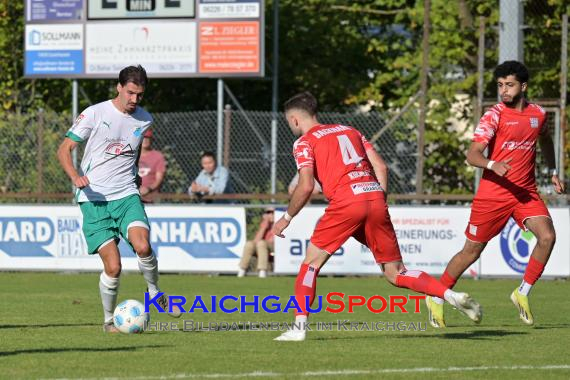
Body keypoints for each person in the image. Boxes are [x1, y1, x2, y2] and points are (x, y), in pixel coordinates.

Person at [272, 92, 482, 341]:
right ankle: (449, 296)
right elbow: (381, 167)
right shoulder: (350, 130)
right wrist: (377, 200)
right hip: (374, 196)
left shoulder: (304, 142)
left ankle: (298, 329)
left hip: (346, 202)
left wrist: (286, 217)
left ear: (294, 120)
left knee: (310, 265)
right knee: (396, 273)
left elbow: (305, 186)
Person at [425, 61, 566, 328]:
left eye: (509, 85)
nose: (504, 90)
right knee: (471, 252)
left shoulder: (538, 114)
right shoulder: (494, 115)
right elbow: (472, 155)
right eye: (500, 85)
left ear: (523, 86)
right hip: (493, 195)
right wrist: (492, 165)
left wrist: (554, 170)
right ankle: (437, 296)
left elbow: (545, 140)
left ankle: (521, 293)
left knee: (547, 236)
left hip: (525, 193)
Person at [57, 65, 181, 333]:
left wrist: (134, 175)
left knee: (143, 246)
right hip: (94, 199)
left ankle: (154, 291)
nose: (134, 100)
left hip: (126, 194)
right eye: (130, 93)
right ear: (119, 87)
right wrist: (74, 176)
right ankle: (108, 321)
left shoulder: (144, 119)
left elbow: (133, 152)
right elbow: (64, 149)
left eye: (139, 95)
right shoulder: (95, 113)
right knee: (113, 267)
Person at [237, 207, 275, 278]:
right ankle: (242, 269)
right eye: (268, 213)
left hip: (274, 246)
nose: (270, 215)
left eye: (272, 213)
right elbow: (256, 240)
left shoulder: (279, 224)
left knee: (261, 243)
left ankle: (262, 271)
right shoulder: (264, 224)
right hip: (261, 246)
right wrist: (264, 226)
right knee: (249, 244)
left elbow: (272, 240)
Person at [138, 128, 166, 203]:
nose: (145, 140)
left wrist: (148, 189)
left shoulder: (158, 156)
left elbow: (158, 180)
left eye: (148, 138)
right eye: (143, 137)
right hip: (132, 197)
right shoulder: (132, 156)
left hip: (151, 198)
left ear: (151, 140)